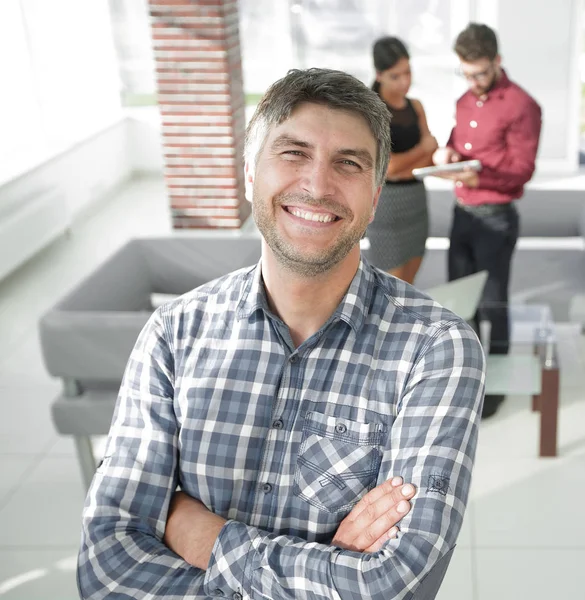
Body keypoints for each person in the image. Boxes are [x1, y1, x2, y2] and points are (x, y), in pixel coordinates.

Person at [78, 68, 485, 600]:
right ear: (250, 173)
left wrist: (197, 529)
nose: (318, 185)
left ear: (376, 194)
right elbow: (107, 567)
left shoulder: (438, 349)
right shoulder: (174, 334)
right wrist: (328, 572)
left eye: (349, 163)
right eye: (293, 153)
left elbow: (394, 584)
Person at [433, 23, 542, 419]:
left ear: (496, 61)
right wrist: (447, 153)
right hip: (461, 215)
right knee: (462, 304)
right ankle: (469, 377)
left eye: (479, 72)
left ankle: (496, 386)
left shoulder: (522, 106)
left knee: (494, 304)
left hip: (496, 219)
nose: (473, 81)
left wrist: (479, 177)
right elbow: (458, 141)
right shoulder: (464, 101)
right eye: (466, 73)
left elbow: (522, 169)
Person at [367, 36, 438, 284]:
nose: (405, 81)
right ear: (379, 75)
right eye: (395, 76)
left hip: (416, 201)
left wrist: (407, 161)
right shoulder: (370, 110)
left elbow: (430, 161)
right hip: (387, 206)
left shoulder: (415, 106)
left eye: (407, 72)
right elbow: (387, 169)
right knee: (391, 286)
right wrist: (420, 151)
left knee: (411, 283)